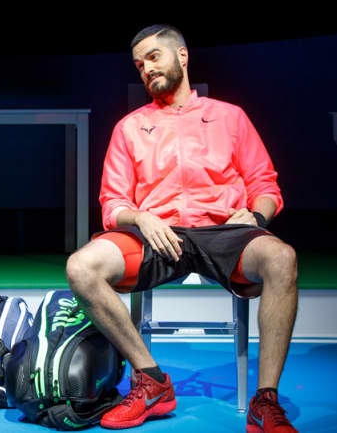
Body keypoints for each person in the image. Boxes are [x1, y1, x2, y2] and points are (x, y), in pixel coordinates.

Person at [66, 25, 298, 432]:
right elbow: (113, 202)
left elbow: (265, 184)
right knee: (81, 267)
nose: (146, 69)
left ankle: (265, 400)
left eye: (154, 57)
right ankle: (151, 379)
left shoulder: (230, 117)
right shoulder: (130, 127)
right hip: (158, 234)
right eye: (139, 64)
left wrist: (257, 217)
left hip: (225, 232)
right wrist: (141, 217)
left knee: (282, 258)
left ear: (182, 57)